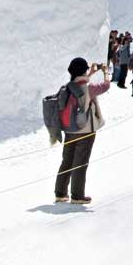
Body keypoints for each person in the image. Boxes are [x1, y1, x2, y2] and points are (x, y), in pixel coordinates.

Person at [54, 57, 110, 204]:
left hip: (69, 130)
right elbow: (105, 86)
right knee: (80, 162)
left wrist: (89, 73)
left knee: (67, 160)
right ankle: (77, 195)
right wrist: (106, 72)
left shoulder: (68, 86)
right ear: (83, 70)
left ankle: (60, 193)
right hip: (85, 131)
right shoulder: (89, 88)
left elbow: (81, 83)